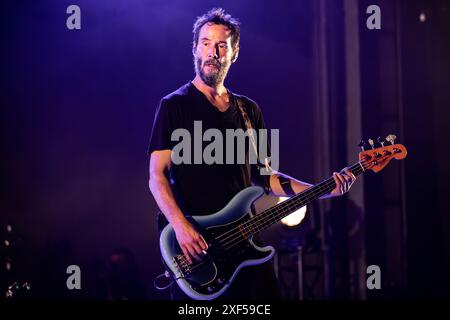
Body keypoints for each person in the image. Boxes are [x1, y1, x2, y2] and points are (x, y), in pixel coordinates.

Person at [148, 8, 356, 300]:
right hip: (196, 247)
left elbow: (264, 176)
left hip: (245, 242)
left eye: (222, 45)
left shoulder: (248, 111)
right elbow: (156, 176)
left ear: (234, 53)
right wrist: (181, 227)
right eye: (206, 43)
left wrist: (322, 190)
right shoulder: (173, 105)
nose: (213, 52)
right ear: (195, 48)